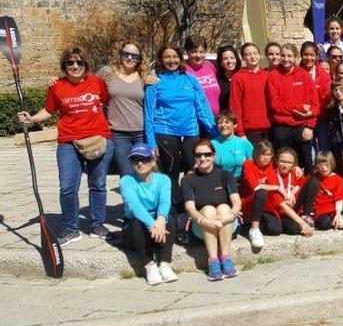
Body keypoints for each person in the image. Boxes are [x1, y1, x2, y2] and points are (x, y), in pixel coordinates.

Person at [19, 47, 115, 245]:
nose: (75, 66)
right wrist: (32, 119)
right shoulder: (57, 86)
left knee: (98, 185)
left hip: (98, 139)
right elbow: (49, 110)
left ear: (86, 65)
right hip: (68, 142)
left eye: (79, 62)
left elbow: (112, 100)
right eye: (70, 63)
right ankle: (71, 229)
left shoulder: (97, 82)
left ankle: (97, 225)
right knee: (67, 188)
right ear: (64, 66)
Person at [145, 45, 218, 232]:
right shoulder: (155, 82)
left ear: (180, 58)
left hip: (191, 131)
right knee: (171, 173)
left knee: (194, 169)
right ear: (161, 60)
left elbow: (202, 106)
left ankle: (195, 206)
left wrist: (214, 132)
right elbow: (149, 114)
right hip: (165, 132)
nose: (171, 61)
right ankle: (176, 213)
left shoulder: (190, 79)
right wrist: (151, 141)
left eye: (175, 57)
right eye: (167, 57)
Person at [181, 139, 241, 281]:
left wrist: (230, 217)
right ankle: (213, 260)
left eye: (207, 154)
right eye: (198, 155)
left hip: (226, 222)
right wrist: (203, 220)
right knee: (208, 209)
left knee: (224, 207)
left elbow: (237, 202)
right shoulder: (188, 179)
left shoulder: (225, 175)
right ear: (194, 158)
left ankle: (225, 258)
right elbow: (190, 208)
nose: (203, 158)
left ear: (213, 156)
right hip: (201, 226)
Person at [119, 143, 177, 285]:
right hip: (135, 228)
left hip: (157, 227)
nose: (140, 163)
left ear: (152, 161)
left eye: (144, 159)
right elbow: (134, 207)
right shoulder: (126, 181)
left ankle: (165, 263)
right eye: (135, 160)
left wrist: (161, 220)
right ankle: (149, 265)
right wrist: (153, 224)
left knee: (169, 218)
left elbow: (164, 202)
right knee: (137, 222)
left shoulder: (163, 180)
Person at [96, 42, 150, 177]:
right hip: (118, 134)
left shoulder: (144, 76)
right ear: (120, 55)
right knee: (126, 174)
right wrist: (60, 80)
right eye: (126, 54)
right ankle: (129, 198)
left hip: (141, 133)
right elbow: (85, 82)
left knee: (143, 174)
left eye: (134, 55)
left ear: (140, 58)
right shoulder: (107, 73)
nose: (130, 58)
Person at [267, 43, 319, 174]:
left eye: (289, 56)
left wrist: (310, 126)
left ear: (296, 58)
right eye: (283, 55)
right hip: (281, 128)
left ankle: (308, 190)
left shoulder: (304, 75)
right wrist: (298, 108)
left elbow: (315, 105)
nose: (286, 59)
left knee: (307, 164)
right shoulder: (273, 76)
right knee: (284, 165)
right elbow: (275, 105)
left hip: (302, 126)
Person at [229, 42, 271, 146]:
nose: (252, 57)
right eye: (248, 54)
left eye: (255, 53)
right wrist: (240, 132)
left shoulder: (267, 75)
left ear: (259, 55)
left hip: (269, 129)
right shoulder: (238, 78)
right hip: (250, 132)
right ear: (243, 57)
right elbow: (235, 107)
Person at [296, 152, 343, 231]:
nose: (324, 168)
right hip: (318, 208)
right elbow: (302, 188)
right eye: (321, 165)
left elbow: (339, 198)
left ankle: (337, 218)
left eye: (326, 165)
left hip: (331, 206)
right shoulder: (313, 176)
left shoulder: (337, 179)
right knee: (324, 225)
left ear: (332, 164)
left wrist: (338, 214)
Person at [183, 35, 222, 116]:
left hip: (215, 121)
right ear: (187, 52)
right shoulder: (182, 70)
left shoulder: (210, 66)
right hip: (194, 122)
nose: (198, 55)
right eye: (194, 51)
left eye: (201, 51)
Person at [211, 110, 253, 179]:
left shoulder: (244, 143)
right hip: (219, 181)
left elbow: (253, 165)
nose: (223, 125)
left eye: (227, 122)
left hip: (241, 182)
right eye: (220, 123)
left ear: (235, 125)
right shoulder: (211, 144)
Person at [215, 44, 240, 112]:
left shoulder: (242, 76)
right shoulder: (217, 79)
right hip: (225, 119)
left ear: (236, 59)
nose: (229, 61)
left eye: (232, 58)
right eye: (225, 59)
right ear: (220, 62)